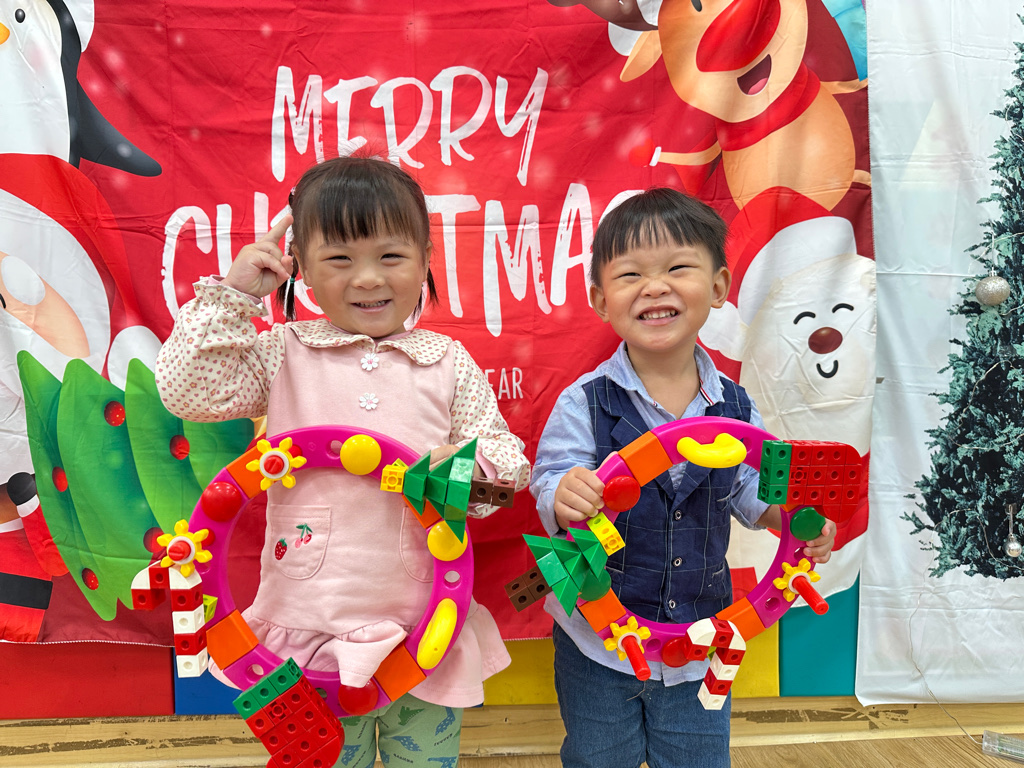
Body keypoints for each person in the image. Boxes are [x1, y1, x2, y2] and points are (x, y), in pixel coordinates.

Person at [156, 155, 530, 768]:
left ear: (425, 259)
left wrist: (464, 470)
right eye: (339, 259)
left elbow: (508, 472)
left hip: (424, 627)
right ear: (299, 266)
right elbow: (186, 391)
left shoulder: (446, 361)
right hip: (307, 631)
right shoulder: (283, 352)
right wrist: (234, 295)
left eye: (391, 256)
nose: (367, 278)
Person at [529, 188, 836, 768]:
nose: (655, 287)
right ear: (600, 299)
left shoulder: (737, 406)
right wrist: (564, 491)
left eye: (677, 268)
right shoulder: (584, 401)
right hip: (597, 638)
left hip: (703, 637)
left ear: (718, 287)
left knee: (698, 756)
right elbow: (549, 481)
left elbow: (752, 488)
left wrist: (793, 522)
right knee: (598, 756)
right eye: (631, 274)